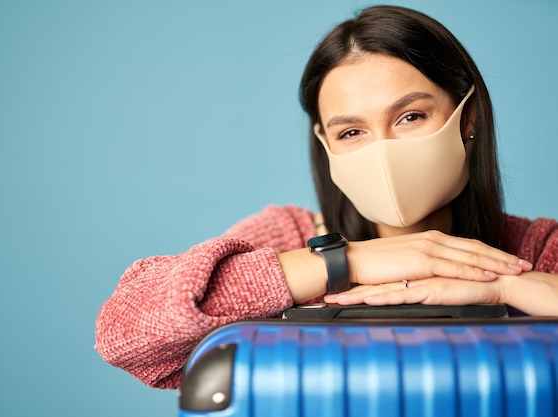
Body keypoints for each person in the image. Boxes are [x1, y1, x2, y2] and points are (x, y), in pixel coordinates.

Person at [95, 5, 558, 389]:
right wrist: (343, 263)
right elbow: (125, 332)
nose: (382, 150)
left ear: (469, 116)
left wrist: (505, 287)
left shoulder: (537, 251)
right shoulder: (289, 236)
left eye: (410, 116)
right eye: (352, 131)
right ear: (326, 144)